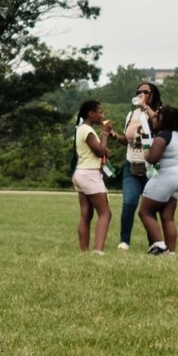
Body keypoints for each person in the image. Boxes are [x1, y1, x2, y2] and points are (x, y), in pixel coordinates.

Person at [137, 107, 178, 254]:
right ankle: (171, 252)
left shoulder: (162, 137)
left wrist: (146, 151)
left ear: (162, 119)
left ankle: (159, 245)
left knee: (145, 211)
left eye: (156, 116)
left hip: (165, 176)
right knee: (167, 217)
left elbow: (153, 158)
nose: (153, 118)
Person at [117, 81, 159, 251]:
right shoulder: (131, 114)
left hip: (151, 168)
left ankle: (154, 243)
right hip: (131, 166)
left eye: (146, 92)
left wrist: (146, 108)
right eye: (139, 92)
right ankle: (124, 241)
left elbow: (157, 125)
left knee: (150, 208)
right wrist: (114, 135)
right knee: (129, 203)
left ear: (153, 95)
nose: (141, 94)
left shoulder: (158, 112)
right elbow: (129, 141)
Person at [71, 98, 113, 253]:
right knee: (105, 213)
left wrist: (103, 148)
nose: (102, 115)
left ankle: (83, 251)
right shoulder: (88, 130)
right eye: (100, 112)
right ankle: (98, 250)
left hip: (80, 173)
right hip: (90, 174)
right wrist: (105, 133)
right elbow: (100, 151)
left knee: (86, 214)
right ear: (91, 113)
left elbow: (95, 150)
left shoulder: (80, 128)